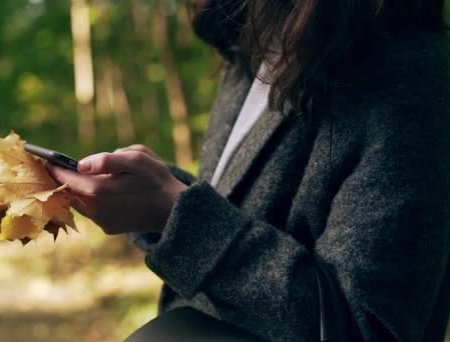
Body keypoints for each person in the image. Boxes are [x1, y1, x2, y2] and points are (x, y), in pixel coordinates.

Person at [48, 0, 450, 340]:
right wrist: (156, 196)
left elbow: (366, 327)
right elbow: (247, 217)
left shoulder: (413, 75)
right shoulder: (248, 49)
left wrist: (176, 216)